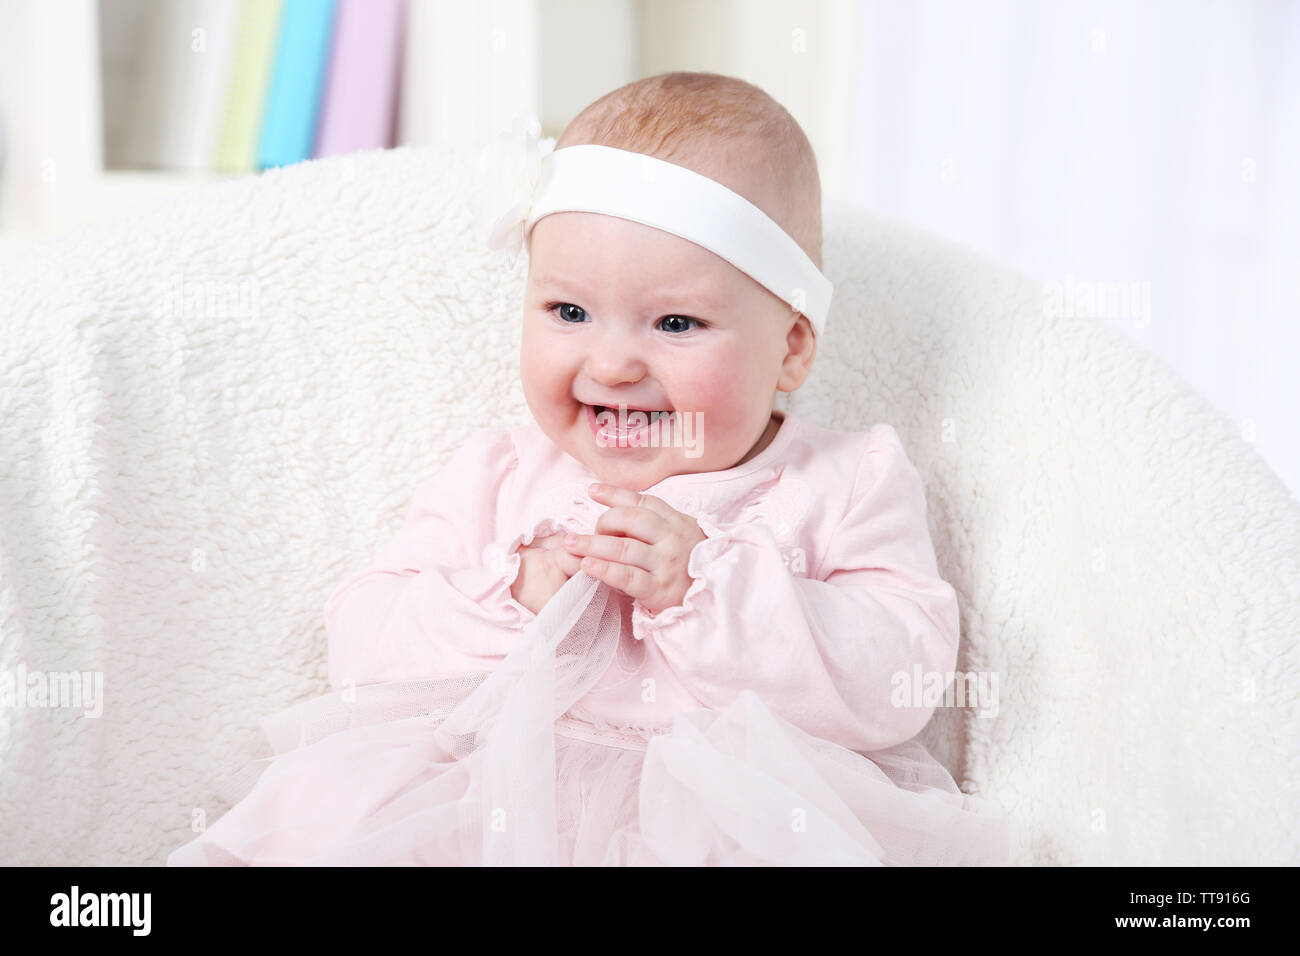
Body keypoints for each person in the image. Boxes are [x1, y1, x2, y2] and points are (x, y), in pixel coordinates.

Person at [168, 71, 1013, 866]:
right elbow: (363, 640)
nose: (611, 364)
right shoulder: (503, 473)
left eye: (675, 324)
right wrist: (510, 596)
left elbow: (896, 676)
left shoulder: (841, 479)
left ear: (791, 346)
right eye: (569, 311)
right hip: (480, 793)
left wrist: (709, 588)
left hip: (729, 813)